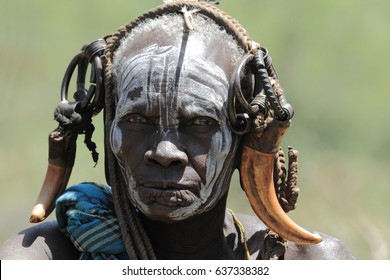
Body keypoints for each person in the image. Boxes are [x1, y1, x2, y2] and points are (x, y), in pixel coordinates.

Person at [0, 0, 353, 260]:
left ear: (245, 137)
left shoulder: (312, 264)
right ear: (109, 128)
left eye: (200, 123)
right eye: (138, 121)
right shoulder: (42, 258)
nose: (165, 153)